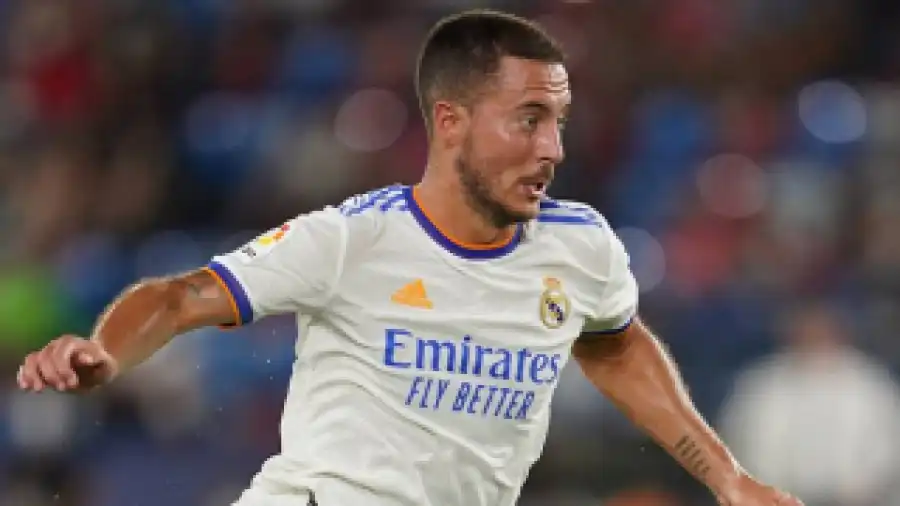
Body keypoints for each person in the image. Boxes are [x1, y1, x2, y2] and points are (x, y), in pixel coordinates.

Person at [16, 9, 803, 506]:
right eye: (528, 119)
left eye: (558, 122)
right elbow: (180, 296)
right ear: (451, 122)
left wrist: (725, 477)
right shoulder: (351, 239)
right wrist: (106, 353)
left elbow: (616, 347)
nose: (552, 148)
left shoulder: (581, 248)